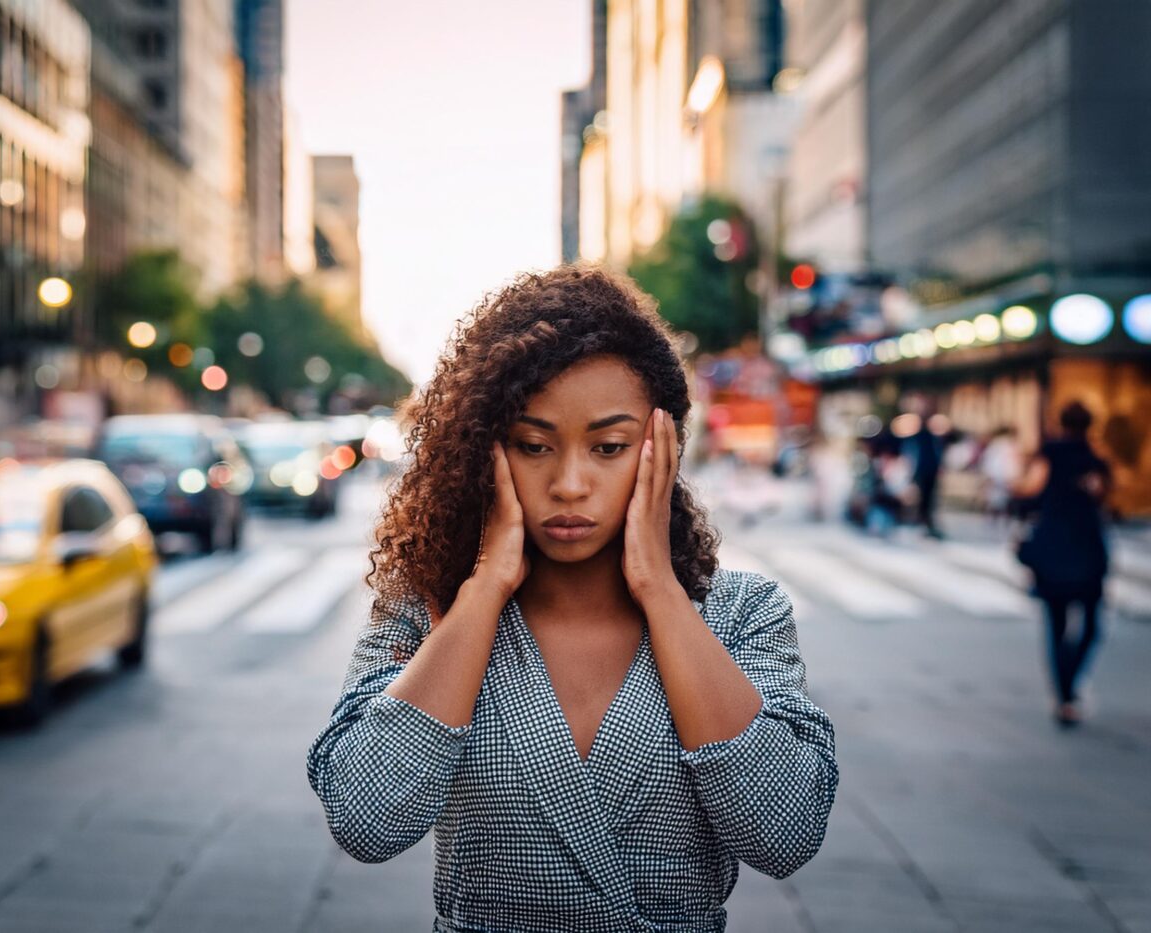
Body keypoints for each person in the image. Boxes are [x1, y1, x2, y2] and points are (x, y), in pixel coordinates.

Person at [307, 265, 838, 931]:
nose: (569, 483)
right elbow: (366, 819)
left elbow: (785, 832)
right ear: (483, 449)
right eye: (534, 446)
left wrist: (662, 593)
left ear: (661, 449)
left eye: (609, 447)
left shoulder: (740, 613)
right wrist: (482, 593)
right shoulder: (429, 606)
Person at [1012, 401, 1111, 727]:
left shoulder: (1048, 454)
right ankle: (1071, 686)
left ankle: (1064, 696)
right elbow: (1103, 498)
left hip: (1052, 548)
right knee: (1091, 626)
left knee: (1056, 626)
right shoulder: (1096, 462)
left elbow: (1027, 493)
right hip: (1087, 549)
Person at [904, 404, 946, 538]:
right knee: (923, 498)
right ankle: (921, 520)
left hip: (926, 471)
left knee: (927, 499)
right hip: (925, 471)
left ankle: (924, 521)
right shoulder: (924, 437)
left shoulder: (929, 438)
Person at [979, 426, 1021, 522]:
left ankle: (996, 519)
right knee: (998, 500)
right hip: (1003, 476)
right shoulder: (1004, 446)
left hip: (1001, 476)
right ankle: (996, 519)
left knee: (1000, 500)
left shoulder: (1003, 445)